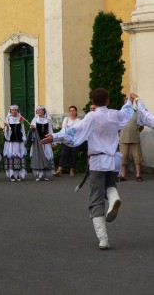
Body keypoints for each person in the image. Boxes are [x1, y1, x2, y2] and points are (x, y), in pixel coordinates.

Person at [41, 89, 134, 250]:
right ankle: (114, 199)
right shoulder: (114, 114)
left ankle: (103, 239)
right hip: (113, 160)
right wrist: (131, 100)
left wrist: (54, 136)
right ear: (108, 101)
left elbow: (74, 130)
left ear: (93, 101)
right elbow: (127, 112)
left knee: (96, 198)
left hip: (98, 160)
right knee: (110, 184)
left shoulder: (91, 117)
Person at [29, 105, 55, 181]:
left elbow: (50, 130)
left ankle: (46, 174)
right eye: (37, 110)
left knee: (47, 155)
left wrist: (53, 140)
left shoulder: (48, 120)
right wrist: (32, 129)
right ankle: (39, 174)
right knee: (38, 156)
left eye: (40, 110)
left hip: (46, 140)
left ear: (44, 111)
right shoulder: (35, 120)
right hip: (38, 142)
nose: (38, 112)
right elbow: (31, 131)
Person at [55, 106, 82, 177]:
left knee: (74, 155)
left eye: (73, 110)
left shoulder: (79, 121)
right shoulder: (66, 119)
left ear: (76, 112)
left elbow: (77, 131)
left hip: (74, 141)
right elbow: (64, 129)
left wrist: (70, 129)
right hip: (66, 140)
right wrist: (71, 130)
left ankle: (72, 170)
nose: (71, 112)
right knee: (63, 154)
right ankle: (59, 170)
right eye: (70, 111)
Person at [3, 105, 28, 181]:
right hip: (10, 142)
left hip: (19, 141)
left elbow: (23, 130)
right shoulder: (7, 119)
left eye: (15, 110)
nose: (14, 112)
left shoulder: (21, 119)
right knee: (11, 157)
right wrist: (7, 127)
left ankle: (19, 174)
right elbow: (5, 132)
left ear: (18, 111)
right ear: (10, 111)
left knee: (19, 156)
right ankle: (12, 175)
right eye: (12, 110)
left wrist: (24, 139)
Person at [118, 111, 144, 182]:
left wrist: (135, 133)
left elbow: (141, 126)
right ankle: (123, 176)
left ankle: (138, 175)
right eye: (126, 99)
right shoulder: (120, 113)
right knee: (123, 157)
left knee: (137, 157)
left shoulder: (136, 113)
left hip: (134, 139)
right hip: (123, 138)